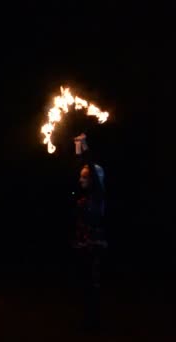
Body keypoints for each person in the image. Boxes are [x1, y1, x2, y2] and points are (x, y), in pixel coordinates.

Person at [71, 133, 107, 331]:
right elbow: (82, 167)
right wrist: (77, 147)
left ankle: (94, 323)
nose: (80, 179)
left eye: (84, 177)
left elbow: (90, 167)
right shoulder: (85, 197)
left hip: (95, 246)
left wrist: (85, 147)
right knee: (83, 284)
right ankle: (86, 320)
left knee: (92, 284)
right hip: (83, 244)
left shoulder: (98, 196)